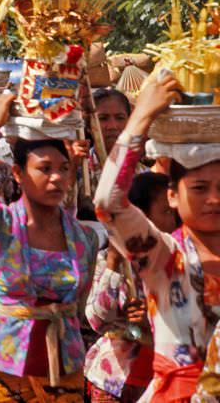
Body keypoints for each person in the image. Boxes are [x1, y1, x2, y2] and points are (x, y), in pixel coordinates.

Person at [0, 91, 103, 402]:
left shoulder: (85, 239)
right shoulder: (0, 225)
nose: (56, 177)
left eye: (63, 168)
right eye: (44, 169)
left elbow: (80, 305)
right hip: (6, 368)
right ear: (18, 174)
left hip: (65, 369)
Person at [94, 72, 220, 402]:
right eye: (199, 188)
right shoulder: (165, 256)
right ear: (172, 197)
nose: (214, 199)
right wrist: (140, 119)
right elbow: (108, 203)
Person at [85, 172, 177, 403]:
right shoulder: (108, 259)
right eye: (165, 212)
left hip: (166, 380)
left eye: (174, 211)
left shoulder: (183, 261)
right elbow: (97, 320)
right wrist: (114, 264)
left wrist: (152, 318)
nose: (173, 220)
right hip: (115, 381)